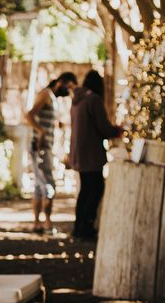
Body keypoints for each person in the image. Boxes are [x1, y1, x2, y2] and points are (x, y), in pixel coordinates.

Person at [70, 70, 123, 240]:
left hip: (79, 152)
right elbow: (103, 127)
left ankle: (79, 228)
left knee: (85, 190)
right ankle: (86, 228)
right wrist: (117, 131)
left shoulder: (78, 100)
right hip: (91, 154)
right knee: (96, 189)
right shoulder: (94, 100)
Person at [25, 72, 78, 233]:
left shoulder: (51, 98)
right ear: (60, 82)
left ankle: (37, 224)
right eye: (68, 87)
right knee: (48, 185)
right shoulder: (46, 94)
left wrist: (57, 124)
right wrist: (41, 132)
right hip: (41, 147)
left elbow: (42, 117)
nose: (69, 91)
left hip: (43, 146)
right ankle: (47, 224)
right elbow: (29, 115)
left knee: (39, 186)